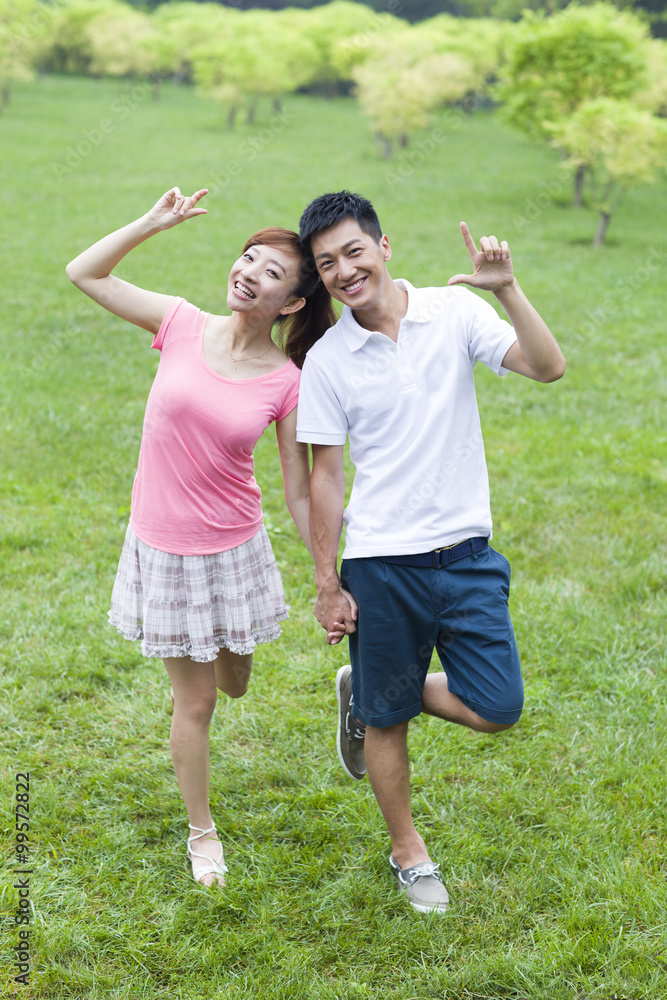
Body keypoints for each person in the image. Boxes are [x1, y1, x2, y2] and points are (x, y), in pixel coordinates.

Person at [295, 191, 565, 914]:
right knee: (388, 722)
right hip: (381, 560)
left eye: (353, 252)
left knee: (496, 706)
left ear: (384, 248)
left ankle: (372, 685)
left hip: (467, 554)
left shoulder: (453, 313)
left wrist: (506, 289)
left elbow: (547, 366)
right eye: (327, 264)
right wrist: (327, 581)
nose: (344, 271)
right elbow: (325, 477)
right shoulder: (326, 359)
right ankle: (409, 855)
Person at [66, 186, 335, 888]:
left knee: (235, 681)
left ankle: (226, 654)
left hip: (235, 547)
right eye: (247, 258)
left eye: (270, 272)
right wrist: (151, 223)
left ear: (294, 304)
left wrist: (325, 574)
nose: (248, 272)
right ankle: (201, 832)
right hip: (163, 548)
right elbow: (84, 273)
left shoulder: (285, 379)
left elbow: (298, 485)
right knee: (199, 702)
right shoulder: (180, 323)